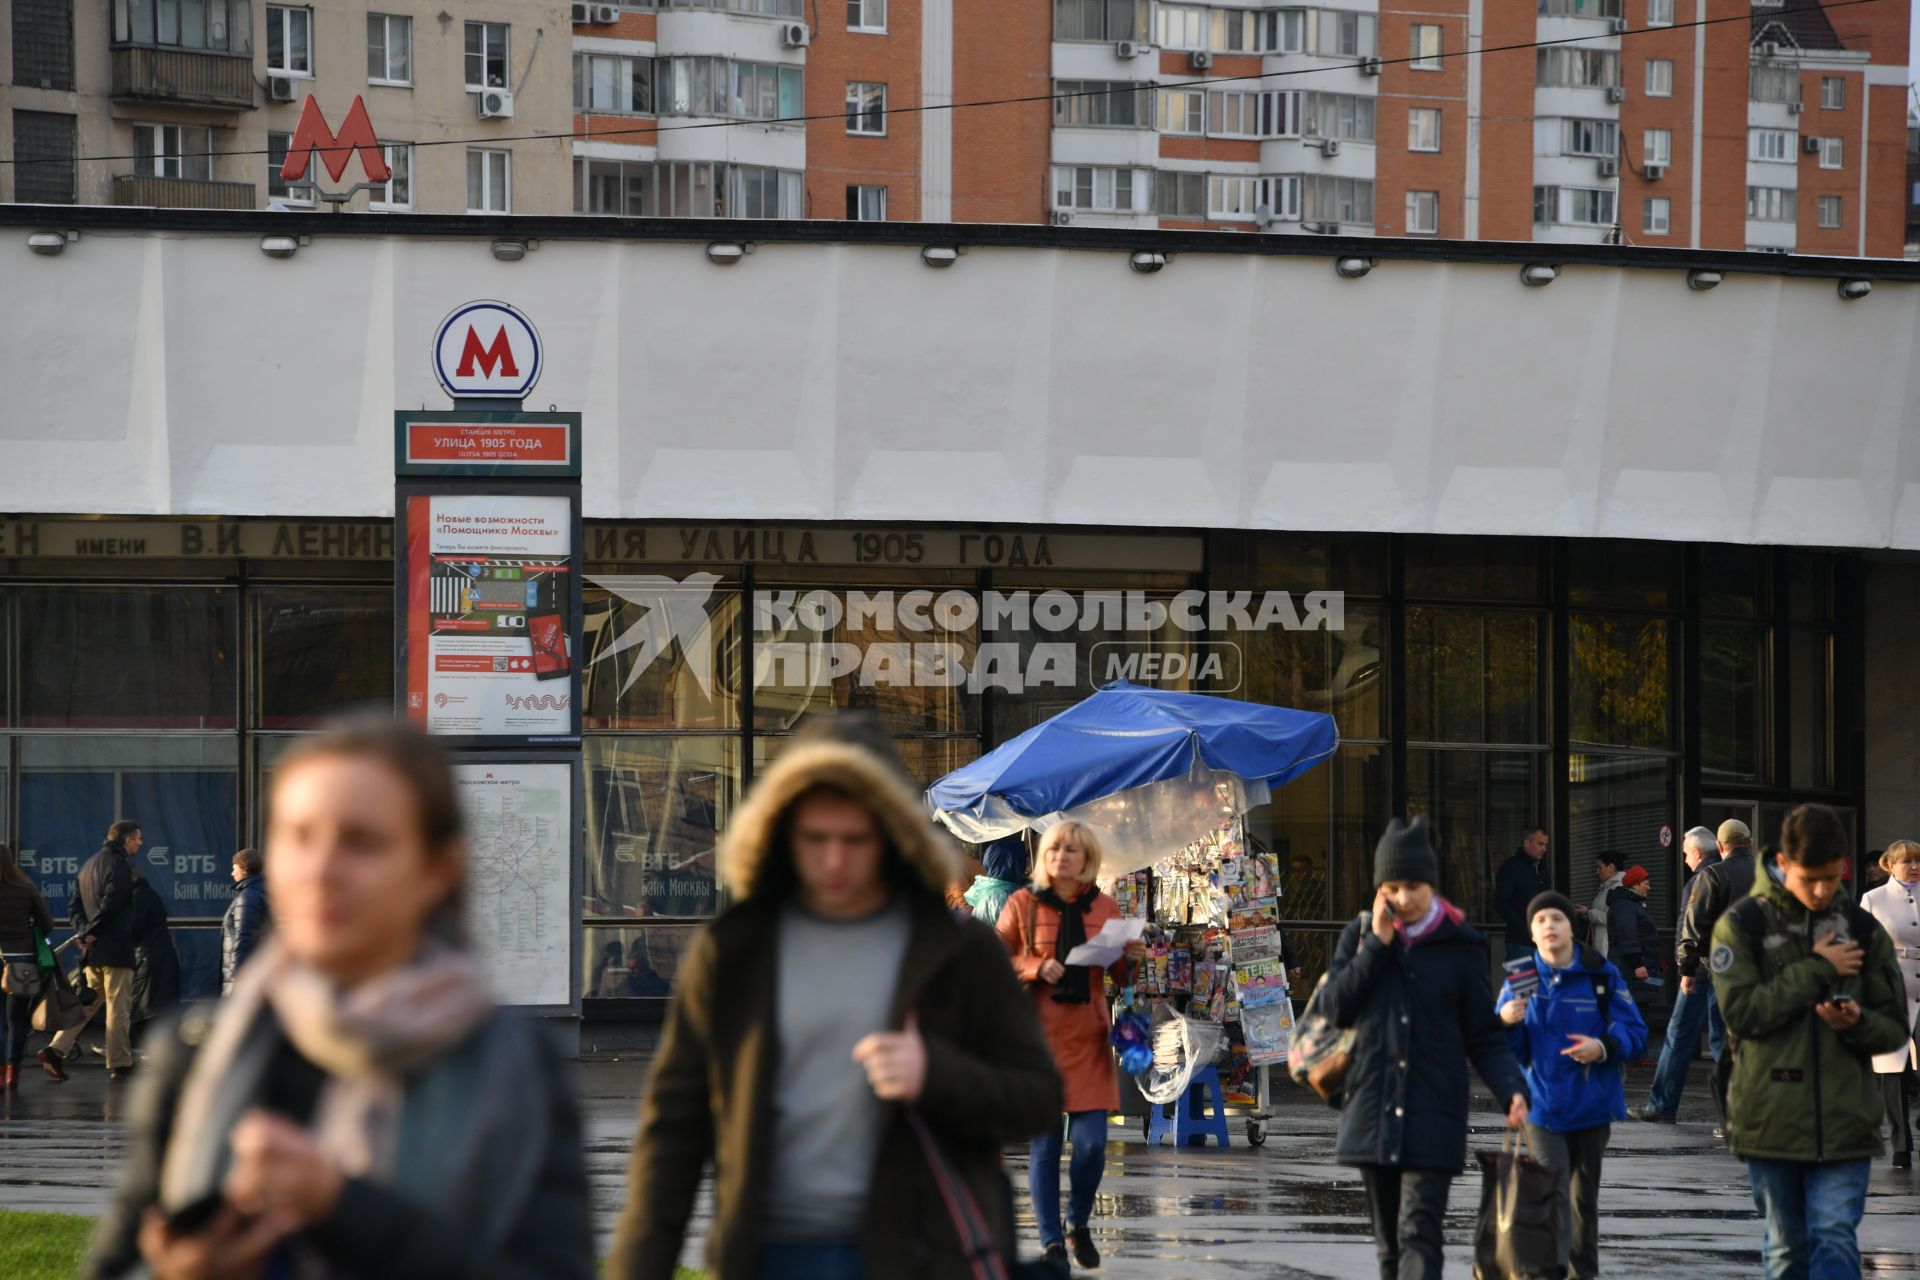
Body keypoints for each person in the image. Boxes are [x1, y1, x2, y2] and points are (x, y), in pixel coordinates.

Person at [87, 720, 593, 1280]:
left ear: (436, 870)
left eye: (361, 842)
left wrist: (341, 1206)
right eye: (300, 836)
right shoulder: (199, 1051)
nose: (322, 870)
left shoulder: (510, 1066)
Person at [608, 714, 1062, 1280]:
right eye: (815, 838)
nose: (834, 860)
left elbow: (1038, 1098)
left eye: (855, 839)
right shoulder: (736, 950)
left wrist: (938, 1074)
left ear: (892, 834)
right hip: (769, 1254)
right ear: (781, 832)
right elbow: (673, 1131)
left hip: (922, 1255)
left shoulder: (956, 949)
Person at [1320, 816, 1530, 1280]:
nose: (1402, 898)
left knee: (1420, 1234)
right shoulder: (1359, 938)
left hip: (1434, 1111)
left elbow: (1484, 1036)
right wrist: (1378, 944)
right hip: (1372, 1113)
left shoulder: (1461, 945)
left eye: (1413, 885)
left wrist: (1512, 1090)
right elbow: (1335, 1009)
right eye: (1391, 887)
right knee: (1389, 1248)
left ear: (1431, 884)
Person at [1712, 803, 1909, 1280]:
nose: (1822, 891)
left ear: (1842, 866)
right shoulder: (1744, 925)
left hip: (1845, 1121)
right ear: (1782, 863)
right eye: (1808, 879)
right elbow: (1741, 1014)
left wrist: (1858, 1022)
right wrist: (1818, 969)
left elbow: (1895, 1026)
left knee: (1835, 1236)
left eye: (1830, 877)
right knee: (1786, 1249)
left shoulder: (1862, 929)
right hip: (1771, 1119)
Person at [996, 821, 1148, 1274]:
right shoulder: (1021, 903)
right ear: (1045, 856)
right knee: (1044, 1147)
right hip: (1037, 1041)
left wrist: (1131, 959)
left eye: (1072, 850)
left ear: (1088, 860)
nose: (1062, 856)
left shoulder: (1104, 907)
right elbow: (994, 958)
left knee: (1091, 1146)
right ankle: (1050, 1245)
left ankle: (1076, 1221)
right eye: (1056, 848)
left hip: (1087, 1040)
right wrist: (1032, 966)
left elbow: (1123, 980)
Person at [1497, 891, 1647, 1280]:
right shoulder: (1523, 976)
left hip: (1593, 1105)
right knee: (1554, 1195)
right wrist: (1507, 1021)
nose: (1550, 926)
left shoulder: (1600, 973)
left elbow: (1635, 1031)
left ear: (1570, 927)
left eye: (1557, 919)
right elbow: (1502, 1052)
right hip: (1542, 1107)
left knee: (1584, 1202)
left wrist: (1602, 1047)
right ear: (1531, 933)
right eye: (1541, 920)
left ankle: (1585, 1272)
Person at [1636, 826, 1729, 1123]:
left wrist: (1685, 969)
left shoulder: (1701, 878)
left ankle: (1662, 1105)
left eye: (1687, 854)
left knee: (1678, 1036)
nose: (1686, 860)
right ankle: (1733, 1113)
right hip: (1729, 970)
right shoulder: (1735, 874)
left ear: (1698, 852)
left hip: (1700, 970)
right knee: (1722, 1041)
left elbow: (1688, 928)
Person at [50, 820, 141, 1080]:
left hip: (93, 952)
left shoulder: (88, 866)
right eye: (137, 839)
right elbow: (112, 904)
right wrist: (91, 932)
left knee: (88, 1004)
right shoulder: (120, 866)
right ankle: (120, 1063)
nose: (140, 843)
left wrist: (84, 932)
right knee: (118, 1007)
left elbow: (74, 906)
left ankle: (55, 1050)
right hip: (115, 948)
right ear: (126, 841)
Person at [1860, 840, 1920, 1169]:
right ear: (1890, 865)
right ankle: (1901, 1145)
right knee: (1893, 1071)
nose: (1913, 866)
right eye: (1906, 861)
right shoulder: (1873, 899)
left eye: (1918, 861)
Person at [0, 842, 58, 1091]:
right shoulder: (25, 888)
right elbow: (47, 924)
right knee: (16, 1020)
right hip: (22, 960)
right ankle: (13, 1073)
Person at [128, 873, 182, 1047]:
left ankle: (138, 1043)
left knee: (146, 1003)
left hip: (148, 957)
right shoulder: (146, 894)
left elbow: (134, 928)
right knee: (155, 1003)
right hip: (156, 955)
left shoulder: (138, 897)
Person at [1606, 866, 1663, 1015]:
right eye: (1646, 884)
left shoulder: (1633, 904)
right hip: (1631, 969)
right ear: (1635, 885)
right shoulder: (1625, 906)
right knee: (1634, 1010)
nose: (1649, 888)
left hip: (1635, 969)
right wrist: (1637, 964)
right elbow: (1628, 936)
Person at [1494, 826, 1552, 962]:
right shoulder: (1511, 867)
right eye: (1540, 844)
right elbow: (1501, 903)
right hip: (1520, 943)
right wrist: (1525, 929)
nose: (1544, 849)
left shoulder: (1542, 869)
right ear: (1527, 843)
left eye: (1545, 845)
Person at [221, 848, 271, 995]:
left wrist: (237, 973)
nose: (232, 873)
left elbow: (244, 936)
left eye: (234, 868)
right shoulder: (260, 892)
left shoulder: (248, 896)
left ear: (244, 870)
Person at [962, 834, 1029, 928]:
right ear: (1013, 863)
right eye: (1024, 858)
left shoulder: (992, 891)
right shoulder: (1003, 896)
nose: (1027, 862)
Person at [1584, 851, 1625, 957]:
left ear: (1611, 867)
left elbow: (1612, 917)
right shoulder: (1607, 886)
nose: (1596, 872)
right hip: (1603, 945)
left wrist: (1588, 912)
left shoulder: (1618, 887)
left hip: (1609, 948)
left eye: (1599, 867)